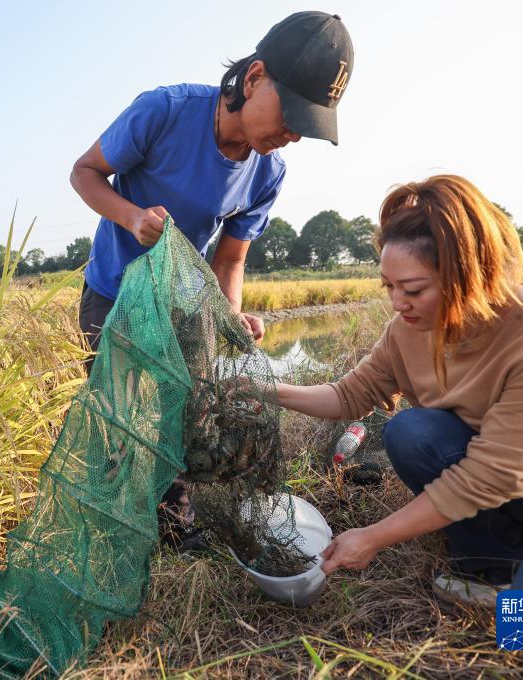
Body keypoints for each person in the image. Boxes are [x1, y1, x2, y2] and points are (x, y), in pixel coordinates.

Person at [70, 11, 354, 552]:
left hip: (182, 305)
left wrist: (231, 319)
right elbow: (84, 172)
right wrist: (130, 217)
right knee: (122, 418)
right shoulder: (165, 111)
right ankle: (110, 529)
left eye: (307, 127)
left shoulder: (268, 171)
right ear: (253, 79)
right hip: (114, 296)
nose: (292, 134)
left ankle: (176, 526)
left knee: (184, 414)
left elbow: (229, 262)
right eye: (291, 114)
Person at [276, 175, 523, 671]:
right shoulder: (410, 329)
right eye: (389, 287)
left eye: (413, 289)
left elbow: (486, 479)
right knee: (412, 431)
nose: (398, 303)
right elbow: (349, 395)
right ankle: (492, 569)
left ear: (470, 274)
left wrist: (372, 537)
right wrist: (266, 391)